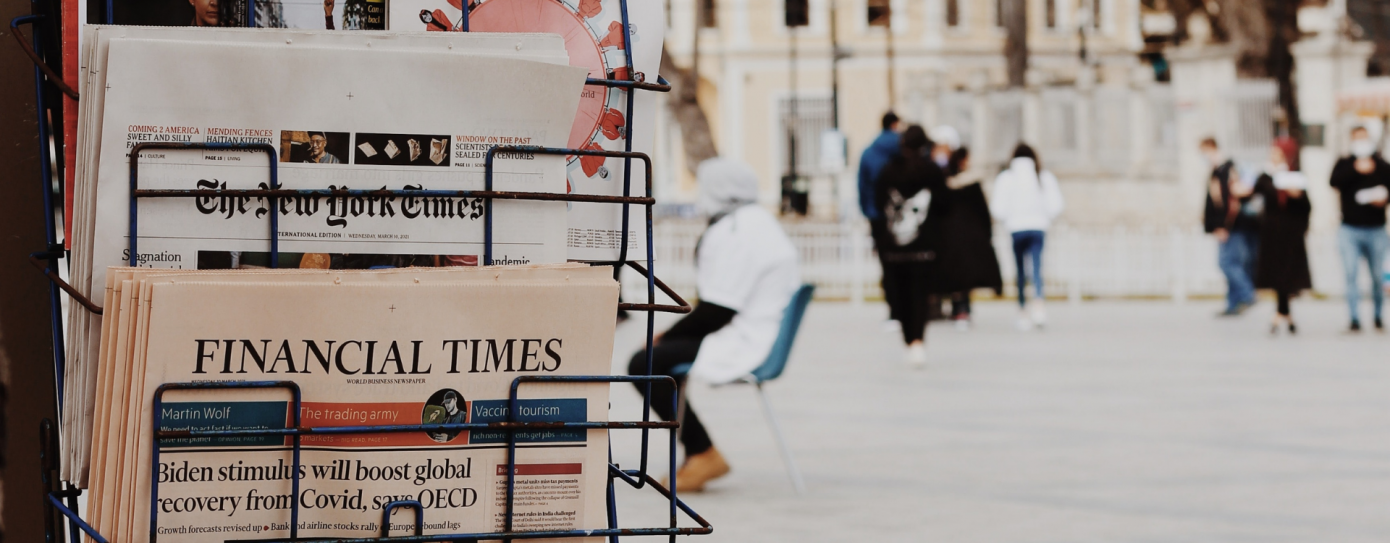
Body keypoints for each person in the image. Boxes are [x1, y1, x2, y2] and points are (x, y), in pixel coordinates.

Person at [627, 157, 799, 492]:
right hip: (756, 331)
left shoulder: (736, 230)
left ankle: (702, 452)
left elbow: (718, 310)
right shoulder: (757, 221)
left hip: (745, 338)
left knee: (644, 363)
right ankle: (698, 452)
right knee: (659, 361)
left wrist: (664, 336)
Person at [872, 126, 947, 366]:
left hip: (893, 250)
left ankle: (908, 340)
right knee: (919, 296)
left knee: (901, 296)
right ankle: (917, 341)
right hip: (924, 249)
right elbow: (944, 207)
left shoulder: (887, 172)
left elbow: (877, 206)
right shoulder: (933, 172)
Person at [928, 128, 1003, 330]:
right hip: (953, 236)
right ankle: (956, 308)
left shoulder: (960, 181)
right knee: (955, 274)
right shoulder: (941, 178)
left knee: (959, 275)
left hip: (957, 237)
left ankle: (960, 309)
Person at [990, 143, 1064, 331]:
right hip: (1038, 226)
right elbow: (1055, 204)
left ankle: (1022, 309)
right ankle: (1039, 305)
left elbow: (998, 207)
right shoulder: (1042, 176)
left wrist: (1008, 219)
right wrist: (1045, 217)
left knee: (1020, 270)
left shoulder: (1007, 177)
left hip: (1016, 228)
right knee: (1037, 268)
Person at [1329, 125, 1390, 332]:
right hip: (1350, 229)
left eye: (1364, 138)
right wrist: (1355, 170)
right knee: (1351, 274)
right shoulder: (1345, 162)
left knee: (1377, 276)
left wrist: (1383, 199)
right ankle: (1354, 318)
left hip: (1376, 229)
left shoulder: (1381, 164)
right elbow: (1333, 182)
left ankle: (1378, 316)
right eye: (1358, 138)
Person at [1252, 145, 1312, 335]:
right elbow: (1258, 192)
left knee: (1289, 273)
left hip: (1291, 232)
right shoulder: (1265, 177)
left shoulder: (1295, 177)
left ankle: (1281, 312)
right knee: (1277, 273)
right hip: (1272, 233)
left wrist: (1296, 195)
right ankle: (1284, 313)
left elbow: (1307, 206)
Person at [1201, 137, 1260, 317]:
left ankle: (1247, 294)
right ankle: (1232, 304)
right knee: (1232, 262)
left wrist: (1222, 225)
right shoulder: (1218, 171)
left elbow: (1227, 202)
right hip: (1231, 226)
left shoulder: (1225, 170)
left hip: (1231, 226)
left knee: (1227, 263)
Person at [860, 113, 903, 325]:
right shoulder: (903, 148)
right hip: (903, 216)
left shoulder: (868, 153)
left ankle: (893, 310)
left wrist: (870, 214)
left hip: (878, 217)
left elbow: (862, 188)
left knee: (887, 265)